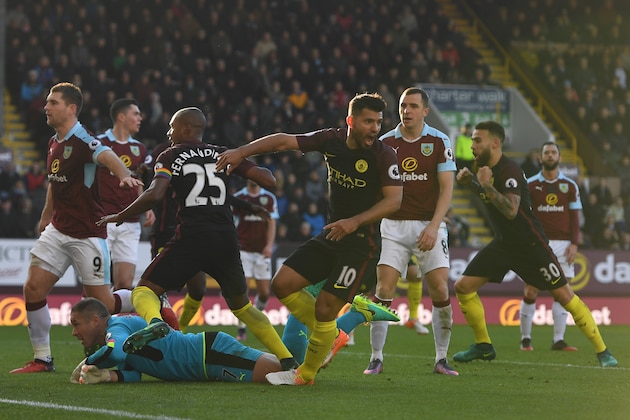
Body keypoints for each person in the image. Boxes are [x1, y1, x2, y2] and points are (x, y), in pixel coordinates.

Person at [216, 93, 403, 386]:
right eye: (368, 122)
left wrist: (354, 222)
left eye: (378, 122)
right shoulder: (332, 140)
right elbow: (283, 141)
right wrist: (242, 152)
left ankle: (305, 374)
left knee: (326, 308)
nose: (374, 128)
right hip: (331, 236)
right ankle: (332, 333)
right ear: (351, 121)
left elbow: (394, 201)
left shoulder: (383, 155)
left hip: (360, 246)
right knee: (282, 284)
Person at [97, 107, 298, 370]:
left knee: (144, 290)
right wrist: (241, 158)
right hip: (226, 238)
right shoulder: (222, 153)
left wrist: (122, 215)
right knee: (243, 307)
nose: (169, 133)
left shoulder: (169, 155)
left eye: (172, 127)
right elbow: (269, 180)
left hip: (192, 236)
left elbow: (156, 194)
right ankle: (288, 361)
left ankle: (157, 324)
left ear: (186, 128)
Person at [453, 121, 617, 368]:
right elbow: (492, 199)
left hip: (531, 245)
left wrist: (484, 184)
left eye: (478, 140)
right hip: (504, 244)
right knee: (463, 287)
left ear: (495, 143)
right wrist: (474, 186)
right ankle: (484, 346)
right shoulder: (486, 170)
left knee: (564, 295)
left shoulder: (509, 171)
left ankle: (603, 351)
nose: (472, 145)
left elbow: (510, 210)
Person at [10, 82, 143, 374]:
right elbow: (54, 182)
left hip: (87, 234)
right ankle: (43, 359)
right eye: (46, 101)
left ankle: (148, 297)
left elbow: (106, 155)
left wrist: (123, 175)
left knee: (104, 303)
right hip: (58, 230)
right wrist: (46, 215)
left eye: (53, 102)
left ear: (71, 108)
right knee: (32, 288)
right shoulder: (53, 141)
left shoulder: (82, 139)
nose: (46, 106)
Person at [348, 87, 458, 376]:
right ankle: (375, 357)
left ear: (425, 111)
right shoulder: (384, 142)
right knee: (383, 290)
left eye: (412, 106)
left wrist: (435, 226)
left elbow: (447, 187)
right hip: (392, 226)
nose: (406, 111)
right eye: (402, 106)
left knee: (440, 290)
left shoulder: (439, 141)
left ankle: (442, 358)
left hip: (428, 226)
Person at [69, 298, 281, 384]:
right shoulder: (121, 331)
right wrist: (105, 376)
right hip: (207, 361)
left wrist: (89, 363)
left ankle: (305, 357)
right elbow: (133, 374)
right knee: (278, 372)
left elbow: (116, 352)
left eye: (76, 324)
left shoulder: (116, 329)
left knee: (280, 375)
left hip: (209, 355)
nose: (74, 332)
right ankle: (302, 361)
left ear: (95, 320)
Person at [520, 142, 582, 352]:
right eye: (546, 152)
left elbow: (575, 218)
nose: (550, 155)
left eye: (553, 152)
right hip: (539, 243)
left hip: (564, 244)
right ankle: (526, 339)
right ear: (540, 158)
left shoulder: (570, 186)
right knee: (531, 289)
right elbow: (525, 216)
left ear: (559, 158)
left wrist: (574, 243)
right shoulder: (529, 185)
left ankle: (558, 340)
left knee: (563, 292)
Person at [97, 98, 155, 290]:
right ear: (121, 117)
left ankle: (114, 320)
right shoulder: (98, 144)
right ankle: (89, 318)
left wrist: (147, 206)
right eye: (136, 114)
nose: (140, 118)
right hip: (102, 219)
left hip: (129, 222)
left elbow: (138, 181)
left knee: (124, 284)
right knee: (97, 282)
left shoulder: (140, 148)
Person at [233, 179, 279, 341]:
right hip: (243, 249)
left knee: (265, 293)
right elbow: (231, 221)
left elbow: (272, 222)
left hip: (261, 251)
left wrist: (269, 245)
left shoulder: (269, 198)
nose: (253, 178)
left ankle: (255, 317)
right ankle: (242, 328)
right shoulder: (239, 197)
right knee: (243, 289)